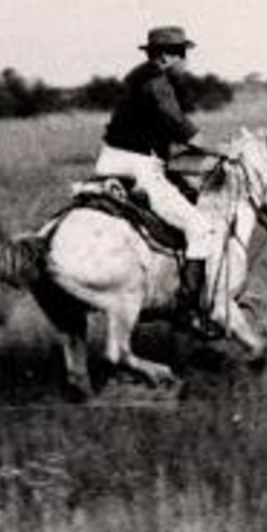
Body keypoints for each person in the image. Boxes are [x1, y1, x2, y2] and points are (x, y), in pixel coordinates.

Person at [95, 25, 225, 337]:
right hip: (139, 167)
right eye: (183, 54)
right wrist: (219, 149)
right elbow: (179, 125)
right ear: (167, 56)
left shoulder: (137, 80)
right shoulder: (158, 84)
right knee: (200, 229)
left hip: (111, 161)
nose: (186, 62)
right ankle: (188, 313)